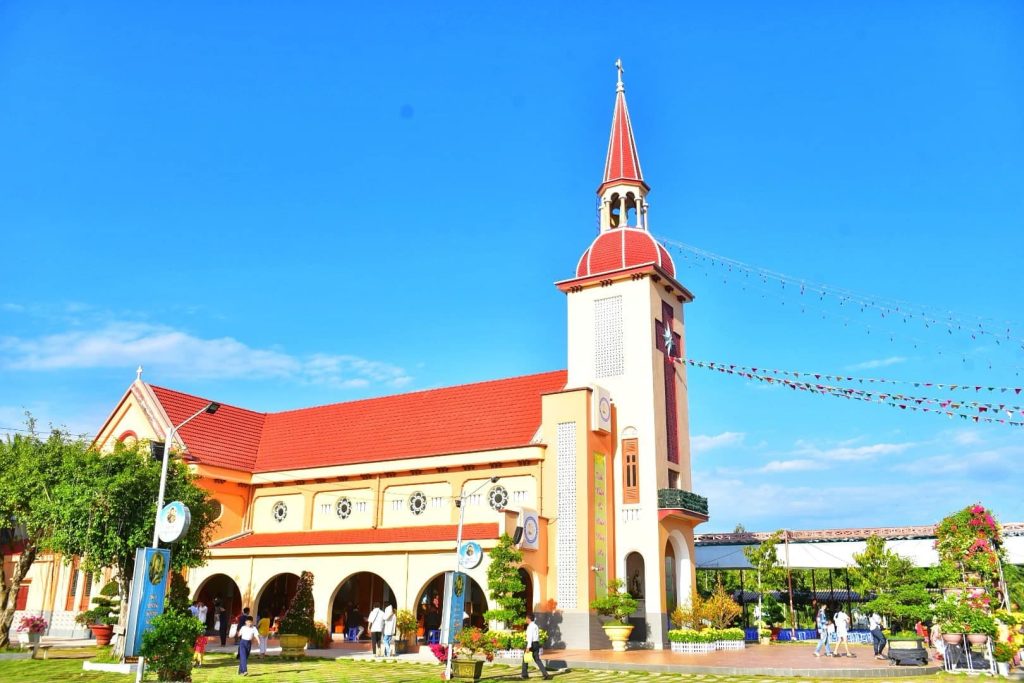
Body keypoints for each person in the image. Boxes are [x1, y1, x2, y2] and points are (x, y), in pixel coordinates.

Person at [521, 613, 551, 680]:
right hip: (536, 643)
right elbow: (537, 636)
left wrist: (528, 647)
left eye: (526, 618)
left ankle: (524, 675)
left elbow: (530, 637)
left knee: (525, 659)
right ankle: (545, 674)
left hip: (531, 644)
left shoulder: (530, 626)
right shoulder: (535, 626)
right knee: (537, 659)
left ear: (529, 619)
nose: (525, 619)